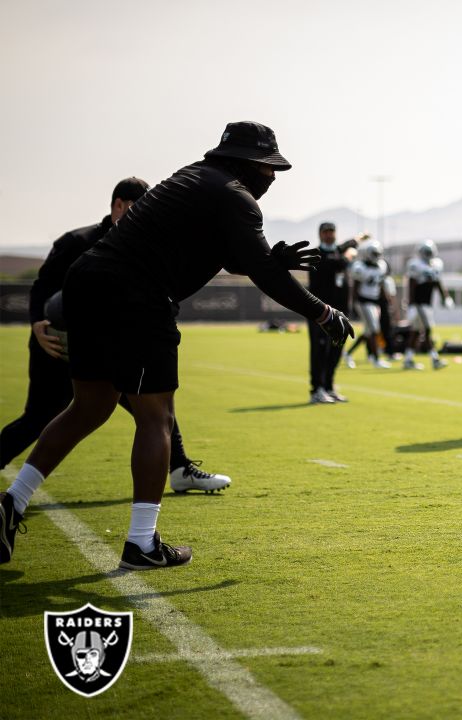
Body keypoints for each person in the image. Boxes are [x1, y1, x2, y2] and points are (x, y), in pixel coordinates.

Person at [0, 121, 354, 569]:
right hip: (135, 296)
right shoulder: (234, 194)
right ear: (248, 163)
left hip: (86, 285)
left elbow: (226, 255)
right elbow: (265, 276)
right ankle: (141, 544)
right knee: (157, 417)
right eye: (269, 168)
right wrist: (323, 313)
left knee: (89, 406)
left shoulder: (192, 177)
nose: (273, 177)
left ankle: (11, 502)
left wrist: (269, 259)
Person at [0, 178, 231, 494]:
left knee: (154, 406)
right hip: (57, 342)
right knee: (41, 416)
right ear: (118, 205)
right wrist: (38, 323)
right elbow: (43, 287)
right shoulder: (76, 241)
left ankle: (179, 469)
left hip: (113, 344)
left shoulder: (144, 244)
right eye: (139, 207)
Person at [307, 222, 360, 403]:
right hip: (320, 313)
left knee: (336, 350)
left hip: (340, 313)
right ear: (320, 234)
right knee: (319, 351)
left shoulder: (337, 250)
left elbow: (347, 246)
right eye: (326, 232)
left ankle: (329, 387)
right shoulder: (317, 254)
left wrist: (359, 238)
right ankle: (317, 390)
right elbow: (337, 263)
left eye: (332, 232)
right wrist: (349, 256)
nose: (329, 235)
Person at [404, 239, 454, 371]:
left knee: (416, 332)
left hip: (427, 303)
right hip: (419, 303)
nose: (427, 254)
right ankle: (434, 359)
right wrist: (412, 303)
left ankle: (408, 359)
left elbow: (438, 283)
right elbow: (412, 284)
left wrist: (446, 297)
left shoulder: (436, 265)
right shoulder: (415, 265)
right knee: (427, 330)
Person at [349, 240, 393, 368]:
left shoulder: (381, 266)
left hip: (374, 302)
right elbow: (355, 288)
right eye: (374, 253)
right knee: (374, 329)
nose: (376, 255)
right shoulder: (359, 267)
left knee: (369, 332)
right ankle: (375, 359)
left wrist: (387, 298)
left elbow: (380, 284)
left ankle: (348, 353)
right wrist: (353, 305)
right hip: (363, 301)